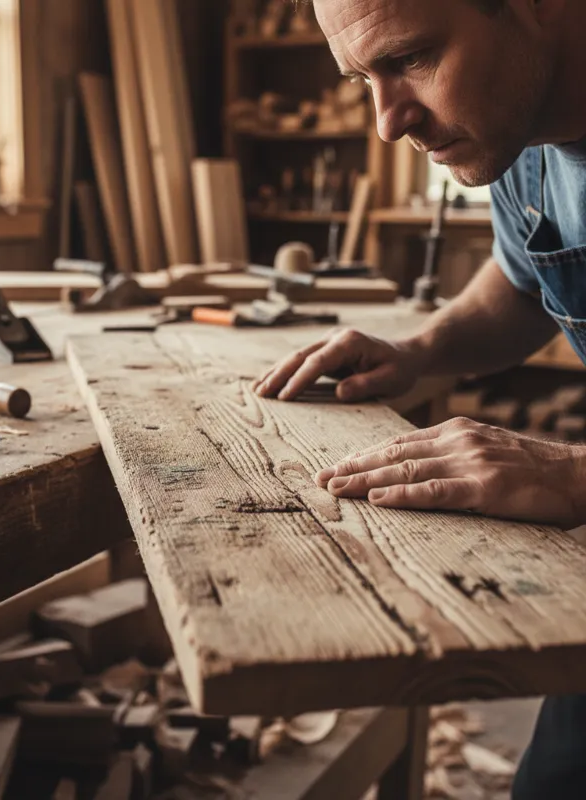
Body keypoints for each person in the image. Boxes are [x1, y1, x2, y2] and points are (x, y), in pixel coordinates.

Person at [253, 0, 586, 796]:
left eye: (411, 58)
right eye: (365, 78)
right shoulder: (528, 141)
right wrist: (416, 353)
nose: (387, 122)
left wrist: (573, 475)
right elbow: (524, 282)